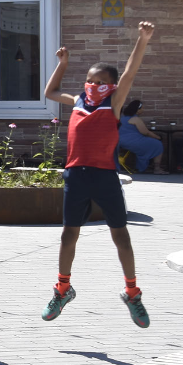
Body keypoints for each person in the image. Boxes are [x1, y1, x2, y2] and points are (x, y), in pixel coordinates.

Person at [41, 21, 155, 328]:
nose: (93, 85)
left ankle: (132, 292)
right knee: (68, 235)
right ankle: (62, 289)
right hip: (75, 176)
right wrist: (62, 65)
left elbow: (130, 71)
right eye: (90, 80)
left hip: (105, 176)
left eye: (100, 81)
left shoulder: (113, 104)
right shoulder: (78, 101)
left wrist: (142, 40)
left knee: (121, 235)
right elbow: (50, 91)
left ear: (112, 86)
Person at [116, 100, 166, 175]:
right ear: (137, 110)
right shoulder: (135, 119)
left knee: (145, 147)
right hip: (132, 141)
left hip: (120, 141)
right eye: (142, 108)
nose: (143, 110)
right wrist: (157, 137)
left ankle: (143, 166)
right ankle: (157, 168)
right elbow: (145, 132)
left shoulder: (122, 118)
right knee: (157, 144)